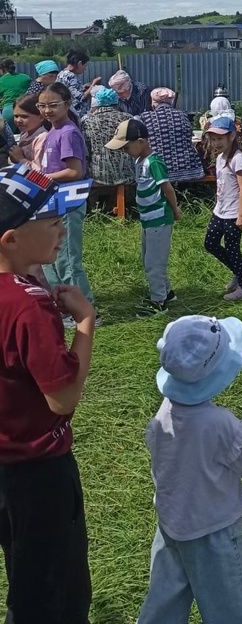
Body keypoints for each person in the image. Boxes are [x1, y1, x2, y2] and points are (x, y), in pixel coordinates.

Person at [137, 315, 242, 624]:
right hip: (214, 529)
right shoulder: (220, 424)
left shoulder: (164, 410)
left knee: (165, 595)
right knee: (229, 598)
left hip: (171, 524)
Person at [0, 161, 94, 623]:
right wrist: (85, 326)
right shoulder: (28, 305)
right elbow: (62, 400)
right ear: (11, 238)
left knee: (22, 575)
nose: (62, 227)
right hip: (37, 471)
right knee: (54, 594)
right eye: (52, 219)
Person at [106, 119, 181, 316]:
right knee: (151, 257)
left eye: (126, 147)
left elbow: (167, 188)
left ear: (141, 141)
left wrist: (176, 210)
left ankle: (158, 302)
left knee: (153, 263)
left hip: (159, 218)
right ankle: (167, 292)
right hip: (148, 219)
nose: (125, 151)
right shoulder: (139, 161)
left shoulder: (153, 162)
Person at [38, 82, 96, 322]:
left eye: (53, 105)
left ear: (68, 104)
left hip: (68, 201)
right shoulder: (53, 131)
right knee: (52, 258)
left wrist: (41, 177)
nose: (47, 110)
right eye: (42, 106)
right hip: (54, 201)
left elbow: (75, 171)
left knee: (69, 259)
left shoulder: (68, 132)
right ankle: (65, 308)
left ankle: (85, 311)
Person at [204, 116, 242, 301]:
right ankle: (238, 272)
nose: (216, 142)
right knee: (210, 243)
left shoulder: (238, 159)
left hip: (234, 212)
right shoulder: (220, 158)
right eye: (213, 138)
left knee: (232, 248)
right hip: (221, 209)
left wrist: (241, 215)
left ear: (231, 136)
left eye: (220, 138)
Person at [82, 85, 133, 210]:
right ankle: (127, 206)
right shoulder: (128, 119)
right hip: (126, 173)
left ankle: (95, 209)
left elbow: (86, 151)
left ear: (97, 103)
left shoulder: (86, 121)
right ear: (116, 102)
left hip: (98, 174)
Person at [140, 88, 205, 183]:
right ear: (171, 102)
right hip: (190, 170)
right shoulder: (183, 115)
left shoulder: (145, 117)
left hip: (159, 172)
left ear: (153, 103)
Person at [57, 49, 100, 115]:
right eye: (85, 66)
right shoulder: (71, 76)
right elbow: (81, 98)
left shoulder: (62, 74)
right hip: (76, 114)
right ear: (79, 64)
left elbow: (70, 91)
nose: (85, 69)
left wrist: (83, 87)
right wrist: (93, 84)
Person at [10, 94, 47, 170]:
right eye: (16, 116)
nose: (18, 120)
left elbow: (40, 171)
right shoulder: (24, 134)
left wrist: (20, 159)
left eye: (24, 116)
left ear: (41, 117)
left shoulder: (42, 138)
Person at [0, 59, 31, 124]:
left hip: (9, 110)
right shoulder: (26, 78)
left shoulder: (1, 80)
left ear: (3, 69)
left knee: (8, 134)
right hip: (25, 109)